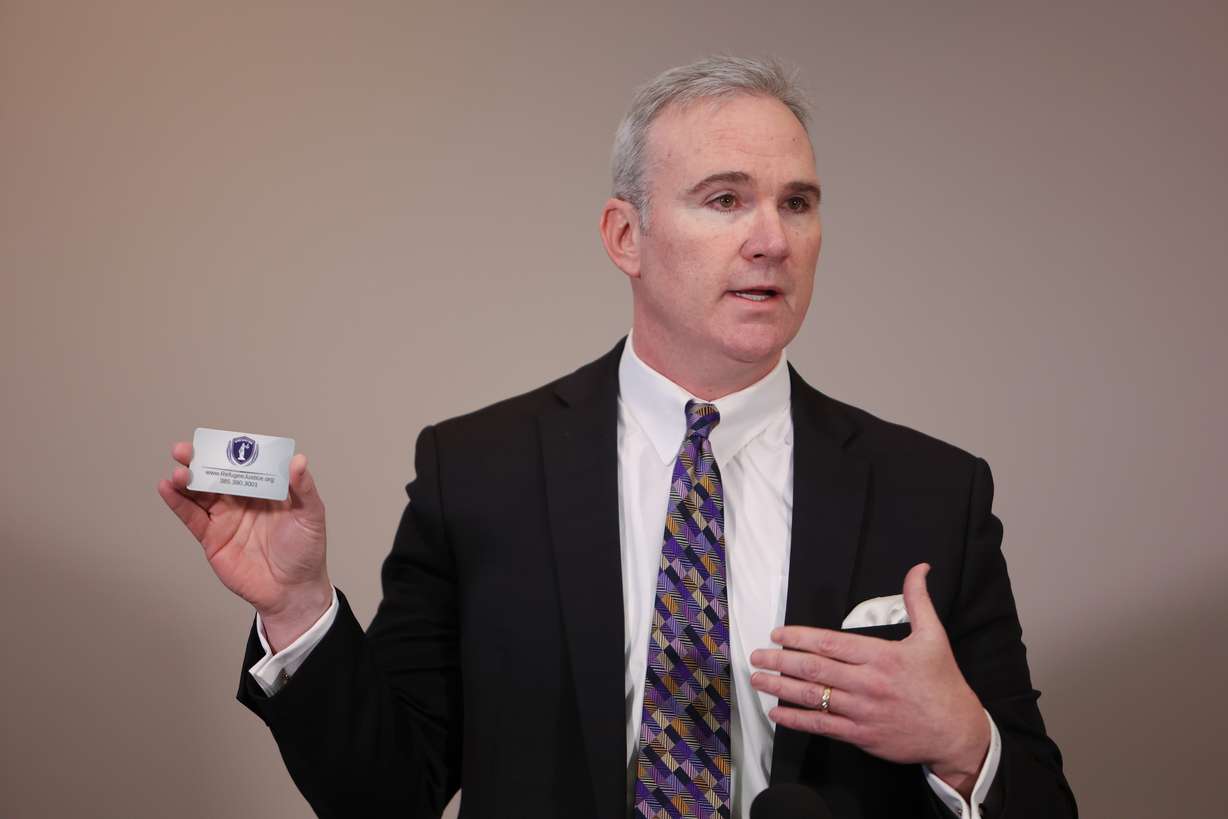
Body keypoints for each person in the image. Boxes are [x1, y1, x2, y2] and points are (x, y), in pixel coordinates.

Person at [157, 57, 1076, 818]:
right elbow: (387, 794)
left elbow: (1042, 801)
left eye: (798, 203)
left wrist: (963, 742)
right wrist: (298, 609)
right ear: (625, 235)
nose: (772, 240)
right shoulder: (476, 471)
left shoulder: (934, 490)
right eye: (725, 199)